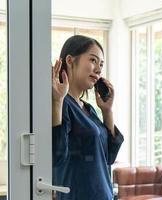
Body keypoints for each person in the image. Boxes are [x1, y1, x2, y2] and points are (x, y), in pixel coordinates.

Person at [52, 35, 124, 200]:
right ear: (70, 60)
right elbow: (56, 156)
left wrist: (107, 111)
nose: (98, 69)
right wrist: (57, 101)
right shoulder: (62, 104)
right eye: (93, 60)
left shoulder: (89, 109)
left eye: (101, 64)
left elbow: (109, 157)